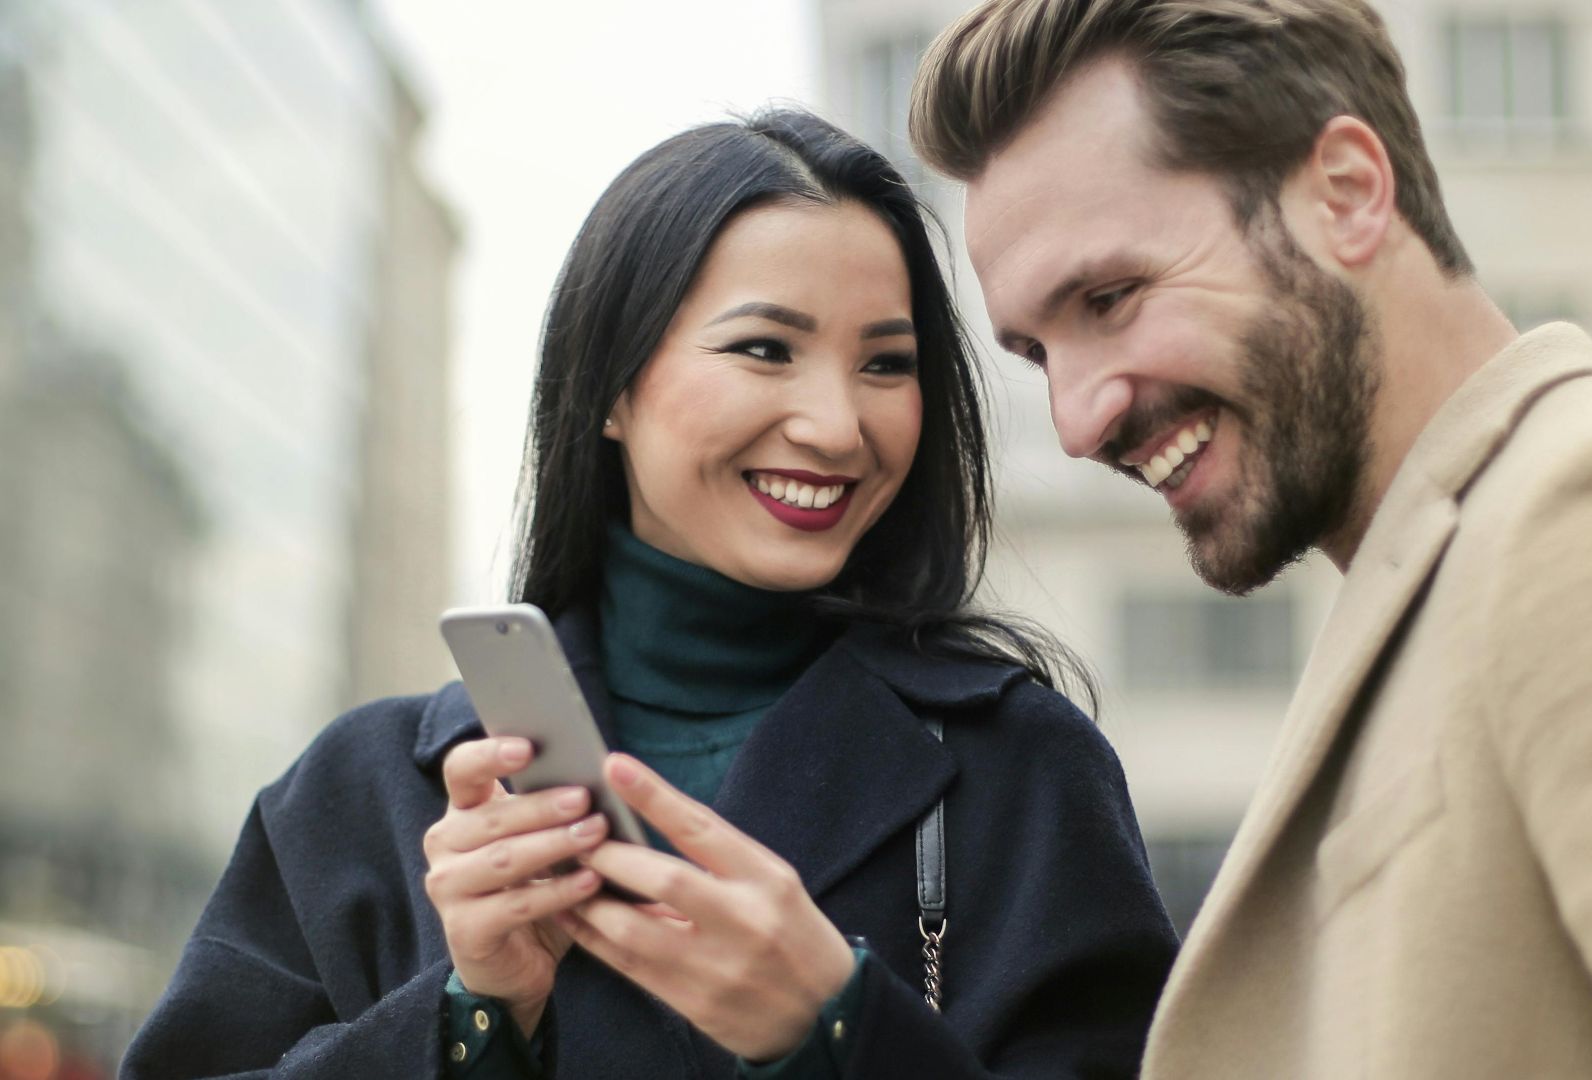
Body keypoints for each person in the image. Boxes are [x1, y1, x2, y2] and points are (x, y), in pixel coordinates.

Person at [909, 1, 1592, 1077]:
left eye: (1110, 297)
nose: (1077, 420)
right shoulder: (1435, 574)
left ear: (1346, 192)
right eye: (1036, 354)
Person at [122, 109, 1178, 1080]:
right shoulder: (362, 798)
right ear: (613, 389)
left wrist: (841, 1026)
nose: (836, 424)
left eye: (886, 364)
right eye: (766, 349)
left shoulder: (1022, 775)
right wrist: (470, 1021)